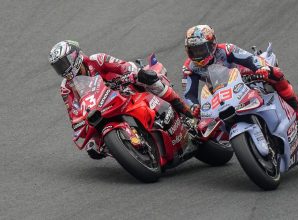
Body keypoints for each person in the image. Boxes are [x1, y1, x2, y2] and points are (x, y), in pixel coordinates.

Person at [49, 40, 192, 159]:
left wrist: (133, 74)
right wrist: (80, 122)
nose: (62, 70)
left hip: (124, 89)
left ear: (74, 56)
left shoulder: (97, 59)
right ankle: (130, 149)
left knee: (150, 79)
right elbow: (73, 114)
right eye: (58, 67)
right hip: (99, 109)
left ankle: (185, 111)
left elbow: (123, 66)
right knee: (92, 148)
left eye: (63, 63)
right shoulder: (66, 88)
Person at [181, 25, 298, 122]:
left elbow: (250, 59)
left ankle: (296, 106)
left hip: (244, 76)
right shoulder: (189, 67)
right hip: (219, 91)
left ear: (212, 44)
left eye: (201, 49)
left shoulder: (226, 49)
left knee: (274, 73)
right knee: (201, 121)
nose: (197, 54)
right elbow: (189, 95)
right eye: (193, 50)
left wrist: (261, 68)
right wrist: (194, 106)